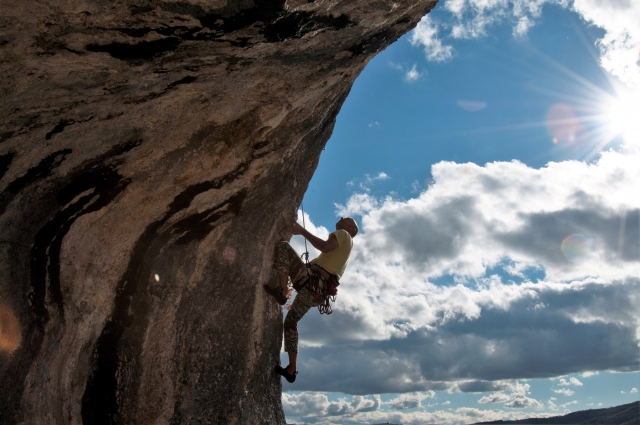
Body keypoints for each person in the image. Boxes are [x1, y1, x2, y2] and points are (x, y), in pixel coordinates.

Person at [263, 216, 358, 383]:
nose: (344, 217)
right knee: (291, 323)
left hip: (311, 284)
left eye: (349, 219)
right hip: (316, 294)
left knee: (284, 247)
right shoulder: (340, 255)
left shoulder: (344, 234)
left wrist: (302, 231)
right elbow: (323, 259)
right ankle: (291, 369)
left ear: (352, 230)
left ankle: (282, 291)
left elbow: (325, 246)